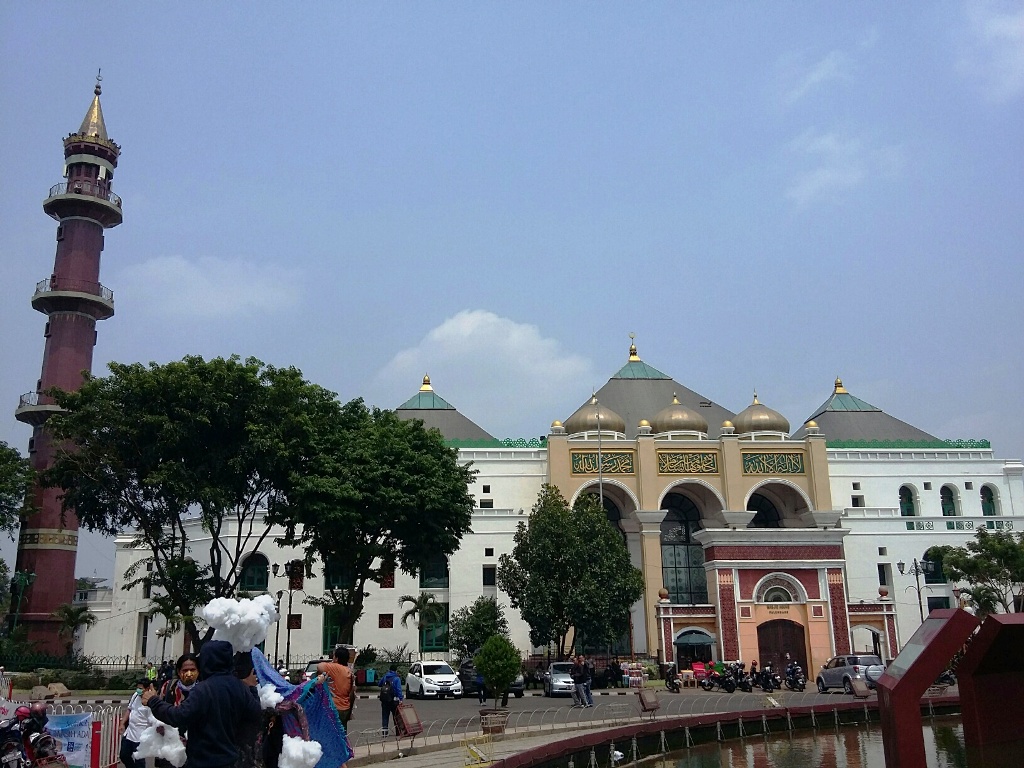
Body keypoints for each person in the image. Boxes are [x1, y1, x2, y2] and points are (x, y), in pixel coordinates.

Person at [143, 640, 262, 768]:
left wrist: (153, 701)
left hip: (203, 760)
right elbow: (256, 714)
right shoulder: (239, 687)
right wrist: (251, 687)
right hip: (230, 760)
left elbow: (178, 716)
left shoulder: (203, 689)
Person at [154, 653, 198, 768]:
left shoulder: (204, 690)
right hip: (170, 747)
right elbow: (158, 711)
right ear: (178, 671)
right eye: (185, 670)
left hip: (196, 750)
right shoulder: (168, 687)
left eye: (193, 670)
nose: (189, 674)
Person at [315, 646, 354, 728]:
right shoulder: (349, 671)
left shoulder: (335, 668)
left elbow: (319, 666)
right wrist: (350, 711)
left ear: (336, 658)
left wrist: (332, 663)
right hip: (345, 709)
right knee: (342, 732)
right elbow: (352, 694)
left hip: (334, 708)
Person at [120, 679, 155, 768]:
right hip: (129, 732)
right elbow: (129, 709)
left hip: (141, 736)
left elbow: (153, 721)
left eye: (141, 688)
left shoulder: (151, 701)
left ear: (147, 689)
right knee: (124, 755)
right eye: (137, 688)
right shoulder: (135, 695)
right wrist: (122, 723)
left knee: (139, 761)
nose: (138, 690)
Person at [377, 664, 404, 736]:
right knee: (396, 717)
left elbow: (379, 684)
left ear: (389, 670)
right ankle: (398, 732)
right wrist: (400, 699)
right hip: (394, 701)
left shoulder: (385, 677)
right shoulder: (397, 678)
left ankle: (384, 733)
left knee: (385, 717)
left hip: (385, 700)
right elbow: (399, 690)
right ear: (396, 670)